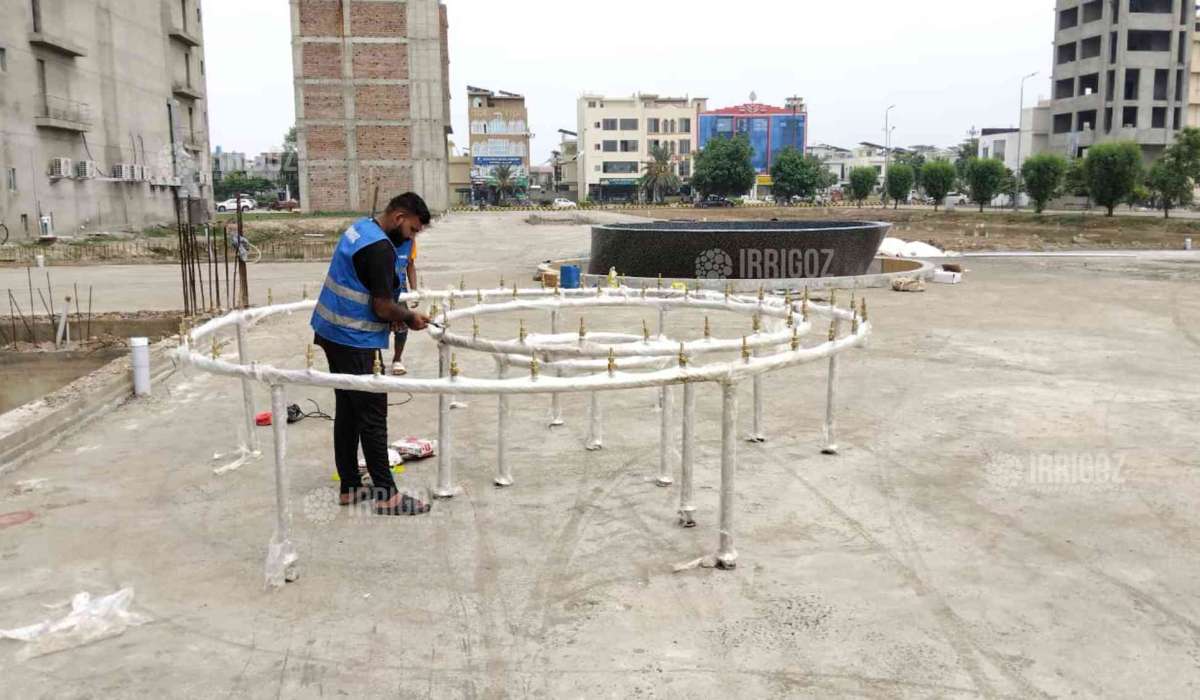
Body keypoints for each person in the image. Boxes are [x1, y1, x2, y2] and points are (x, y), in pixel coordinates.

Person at [310, 192, 433, 516]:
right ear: (399, 218)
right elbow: (380, 307)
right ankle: (387, 496)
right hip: (353, 338)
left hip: (333, 331)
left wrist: (395, 311)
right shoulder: (378, 248)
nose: (412, 237)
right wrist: (407, 317)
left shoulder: (363, 228)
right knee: (373, 416)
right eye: (413, 230)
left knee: (349, 411)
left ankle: (350, 486)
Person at [390, 238, 417, 375]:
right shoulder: (381, 238)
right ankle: (374, 358)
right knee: (378, 325)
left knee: (402, 327)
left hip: (400, 292)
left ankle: (397, 359)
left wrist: (414, 291)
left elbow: (410, 266)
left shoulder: (410, 242)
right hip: (380, 290)